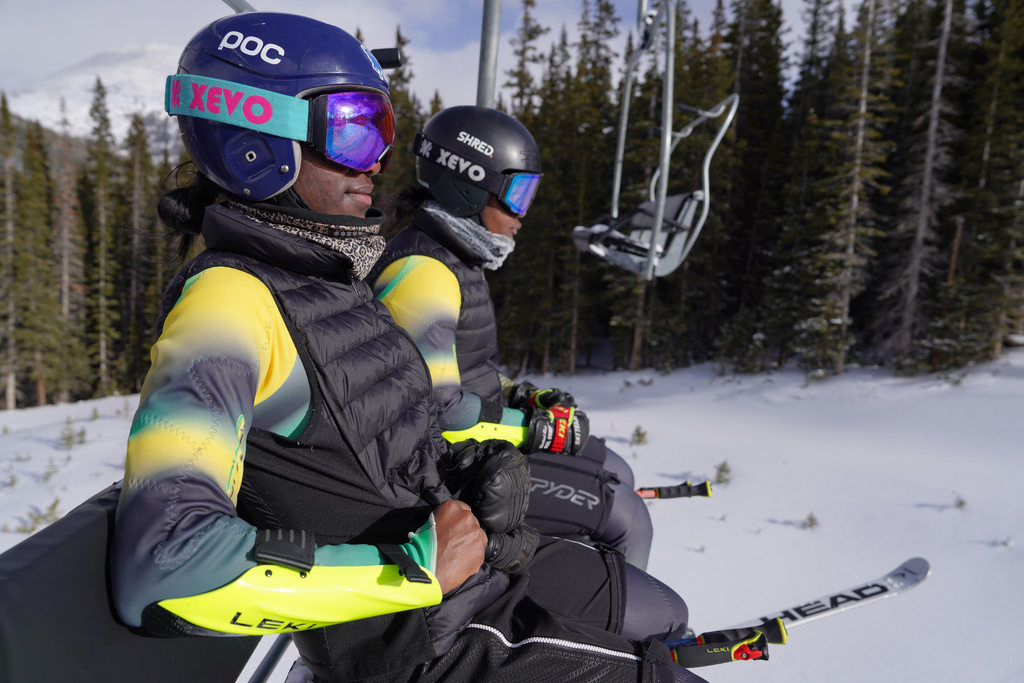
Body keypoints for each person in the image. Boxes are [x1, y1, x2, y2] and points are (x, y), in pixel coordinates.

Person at [109, 11, 726, 683]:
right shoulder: (230, 305)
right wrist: (411, 568)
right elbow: (163, 564)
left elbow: (376, 447)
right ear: (256, 142)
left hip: (464, 597)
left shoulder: (327, 278)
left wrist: (472, 476)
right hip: (417, 646)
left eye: (384, 131)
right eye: (353, 129)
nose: (376, 159)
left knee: (665, 615)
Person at [370, 106, 654, 570]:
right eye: (516, 195)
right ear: (468, 185)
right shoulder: (425, 272)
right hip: (443, 470)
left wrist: (522, 395)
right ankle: (609, 625)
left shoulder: (458, 259)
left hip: (479, 450)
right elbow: (439, 412)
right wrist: (532, 428)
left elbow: (466, 371)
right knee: (627, 517)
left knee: (616, 470)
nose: (522, 214)